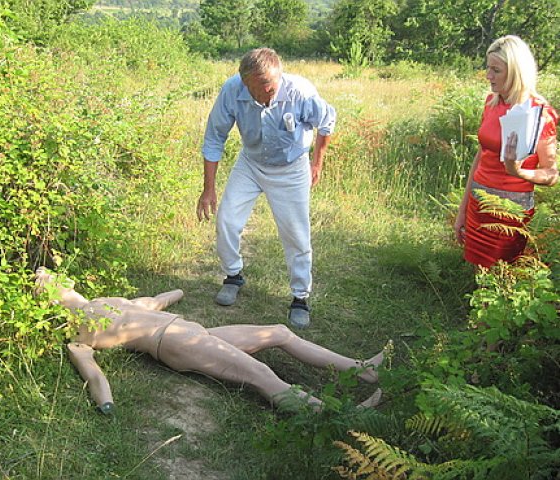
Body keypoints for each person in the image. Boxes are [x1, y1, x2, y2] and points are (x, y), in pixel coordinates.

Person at [34, 268, 385, 414]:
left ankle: (363, 370)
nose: (56, 278)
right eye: (48, 282)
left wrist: (177, 290)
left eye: (52, 275)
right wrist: (106, 403)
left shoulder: (108, 302)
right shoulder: (77, 333)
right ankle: (339, 416)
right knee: (262, 375)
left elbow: (160, 299)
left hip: (189, 329)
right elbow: (93, 373)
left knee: (278, 331)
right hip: (173, 343)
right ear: (51, 300)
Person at [196, 47, 336, 329]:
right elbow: (214, 138)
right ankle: (233, 276)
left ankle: (300, 297)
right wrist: (208, 189)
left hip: (292, 166)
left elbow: (326, 123)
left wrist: (316, 164)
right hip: (251, 162)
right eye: (263, 89)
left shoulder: (301, 92)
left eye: (273, 86)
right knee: (227, 220)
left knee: (296, 234)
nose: (270, 94)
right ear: (245, 84)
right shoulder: (232, 91)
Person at [454, 35, 558, 268]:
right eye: (488, 68)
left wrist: (519, 172)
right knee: (478, 274)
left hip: (510, 212)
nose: (488, 76)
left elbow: (551, 174)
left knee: (501, 276)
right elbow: (480, 158)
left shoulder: (539, 114)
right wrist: (463, 210)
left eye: (496, 70)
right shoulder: (492, 102)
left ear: (515, 72)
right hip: (479, 203)